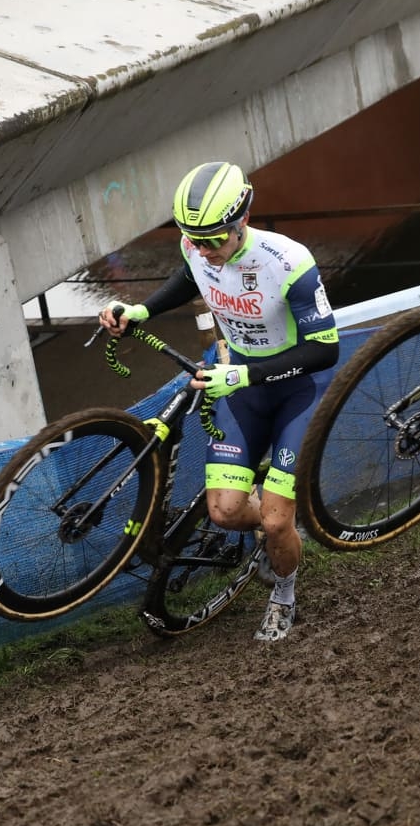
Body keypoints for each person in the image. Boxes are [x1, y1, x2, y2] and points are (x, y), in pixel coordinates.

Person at [98, 161, 339, 643]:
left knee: (276, 521)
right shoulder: (197, 248)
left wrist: (243, 373)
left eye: (212, 239)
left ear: (242, 220)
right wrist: (141, 310)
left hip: (296, 389)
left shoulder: (288, 261)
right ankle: (276, 527)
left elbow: (325, 350)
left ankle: (284, 591)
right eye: (193, 238)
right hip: (242, 386)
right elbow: (191, 277)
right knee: (225, 513)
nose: (203, 250)